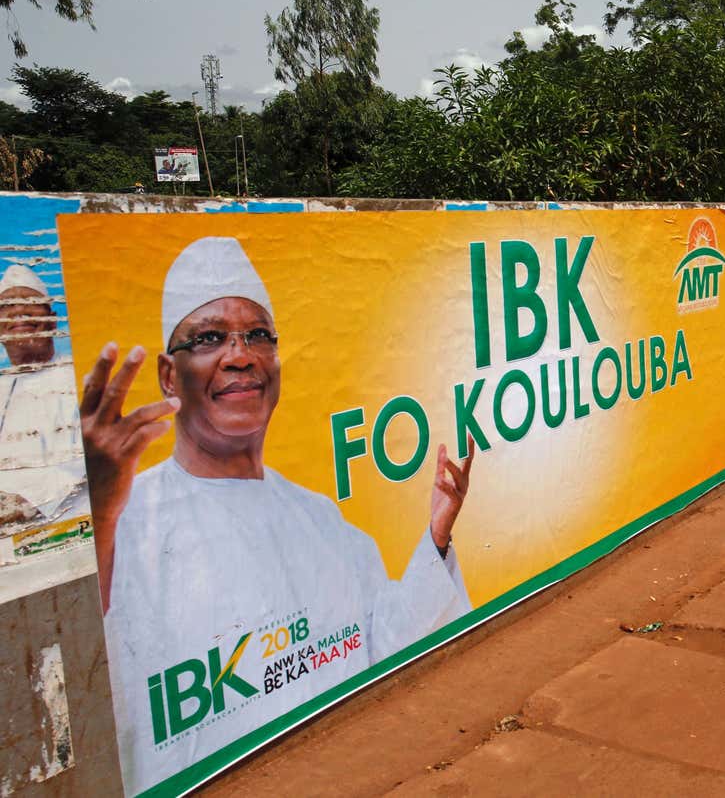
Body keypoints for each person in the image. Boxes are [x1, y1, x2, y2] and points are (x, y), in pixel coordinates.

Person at [80, 236, 475, 793]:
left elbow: (383, 644)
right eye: (211, 337)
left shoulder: (320, 520)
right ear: (170, 375)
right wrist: (95, 516)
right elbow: (82, 693)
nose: (240, 355)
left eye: (258, 335)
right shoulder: (124, 523)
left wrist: (437, 533)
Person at [0, 263, 88, 528]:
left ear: (53, 318)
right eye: (6, 306)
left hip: (75, 535)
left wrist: (24, 502)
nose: (18, 312)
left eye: (29, 301)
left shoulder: (83, 376)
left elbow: (91, 455)